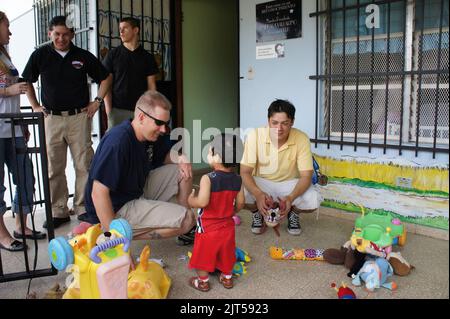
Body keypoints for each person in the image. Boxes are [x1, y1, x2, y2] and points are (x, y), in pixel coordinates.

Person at [22, 16, 112, 229]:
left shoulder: (82, 56)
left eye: (65, 34)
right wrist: (35, 105)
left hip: (79, 117)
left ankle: (83, 208)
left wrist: (97, 101)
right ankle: (58, 211)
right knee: (54, 167)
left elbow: (106, 77)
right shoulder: (40, 55)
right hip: (50, 118)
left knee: (84, 165)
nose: (61, 38)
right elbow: (27, 81)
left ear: (72, 34)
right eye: (57, 34)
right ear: (49, 34)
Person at [84, 90, 195, 242]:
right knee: (187, 219)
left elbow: (164, 157)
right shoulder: (118, 142)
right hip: (116, 207)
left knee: (182, 170)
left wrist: (182, 157)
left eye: (166, 124)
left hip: (135, 191)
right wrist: (113, 236)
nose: (163, 129)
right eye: (159, 123)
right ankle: (115, 236)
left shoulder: (150, 135)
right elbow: (98, 194)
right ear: (142, 117)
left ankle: (187, 231)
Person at [240, 99, 322, 236]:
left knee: (313, 199)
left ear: (292, 122)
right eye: (274, 123)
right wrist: (258, 194)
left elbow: (306, 176)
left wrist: (290, 198)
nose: (279, 129)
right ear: (268, 121)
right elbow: (245, 172)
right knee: (238, 194)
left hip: (289, 184)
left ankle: (293, 214)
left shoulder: (301, 138)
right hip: (261, 182)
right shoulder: (255, 135)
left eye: (284, 123)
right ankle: (257, 212)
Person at [0, 11, 45, 252]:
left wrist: (23, 122)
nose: (10, 31)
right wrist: (8, 90)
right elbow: (8, 90)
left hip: (13, 127)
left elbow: (13, 91)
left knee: (26, 176)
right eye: (6, 26)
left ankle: (21, 225)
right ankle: (3, 235)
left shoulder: (5, 56)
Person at [188, 133, 244, 292]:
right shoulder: (238, 179)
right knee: (227, 252)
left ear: (217, 156)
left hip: (207, 227)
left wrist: (191, 200)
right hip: (227, 226)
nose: (208, 154)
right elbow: (240, 203)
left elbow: (203, 202)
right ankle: (227, 278)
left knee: (203, 253)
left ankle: (203, 281)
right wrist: (231, 211)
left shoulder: (207, 178)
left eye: (210, 151)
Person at [103, 17, 158, 130]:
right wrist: (109, 111)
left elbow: (152, 87)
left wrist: (152, 110)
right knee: (118, 145)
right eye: (120, 29)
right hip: (117, 111)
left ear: (135, 30)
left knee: (140, 146)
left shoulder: (147, 58)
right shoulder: (112, 55)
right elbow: (106, 84)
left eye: (125, 28)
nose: (121, 32)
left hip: (141, 111)